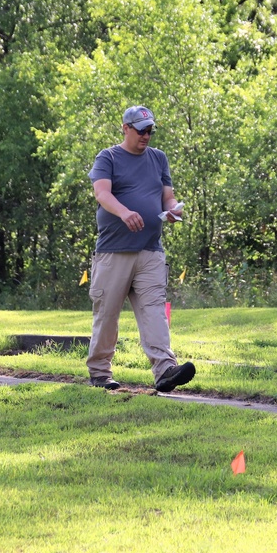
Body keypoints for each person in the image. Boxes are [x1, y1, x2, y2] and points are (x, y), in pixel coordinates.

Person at [85, 105, 195, 392]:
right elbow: (102, 193)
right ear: (125, 128)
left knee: (154, 311)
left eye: (150, 130)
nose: (147, 135)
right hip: (114, 251)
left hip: (150, 250)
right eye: (141, 130)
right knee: (107, 314)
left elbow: (167, 197)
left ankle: (165, 370)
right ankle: (99, 373)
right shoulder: (108, 157)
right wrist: (124, 212)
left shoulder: (158, 159)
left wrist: (173, 211)